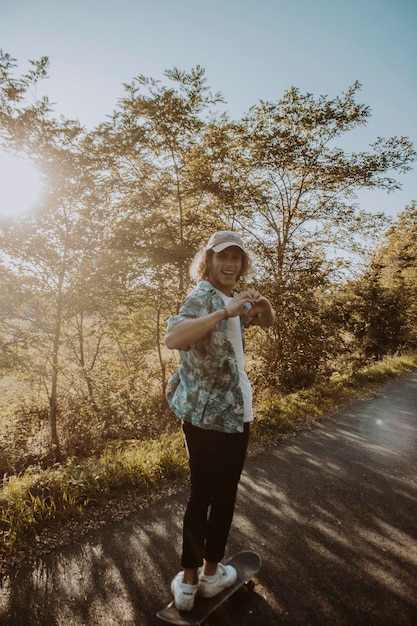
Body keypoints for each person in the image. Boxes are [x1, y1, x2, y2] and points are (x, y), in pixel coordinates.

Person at [164, 230, 275, 611]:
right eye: (222, 257)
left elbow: (265, 323)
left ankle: (209, 575)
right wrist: (223, 313)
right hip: (204, 415)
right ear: (208, 260)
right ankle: (191, 580)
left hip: (235, 412)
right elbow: (174, 338)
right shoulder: (202, 297)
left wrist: (263, 307)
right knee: (203, 495)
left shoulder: (234, 299)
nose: (230, 264)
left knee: (224, 494)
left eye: (236, 258)